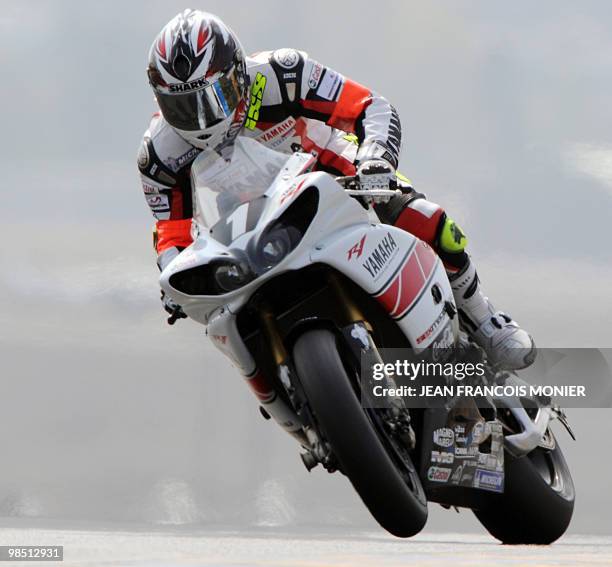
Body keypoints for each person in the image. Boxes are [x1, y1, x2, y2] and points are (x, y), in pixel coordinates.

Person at [138, 9, 535, 370]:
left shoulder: (282, 74)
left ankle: (485, 319)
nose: (201, 119)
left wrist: (375, 159)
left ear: (237, 74)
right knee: (225, 319)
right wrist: (173, 279)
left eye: (212, 98)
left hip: (332, 175)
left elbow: (368, 107)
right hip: (247, 236)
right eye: (184, 107)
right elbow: (170, 233)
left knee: (420, 215)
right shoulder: (158, 153)